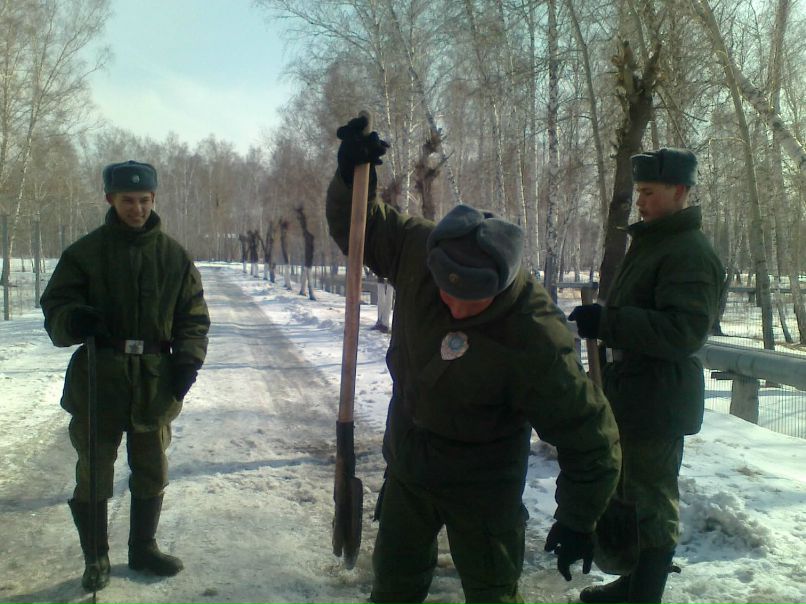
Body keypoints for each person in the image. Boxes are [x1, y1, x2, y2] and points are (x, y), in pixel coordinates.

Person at [328, 115, 621, 604]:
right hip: (410, 466)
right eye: (448, 292)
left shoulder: (536, 335)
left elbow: (588, 432)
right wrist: (350, 176)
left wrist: (578, 518)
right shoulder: (419, 248)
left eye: (476, 300)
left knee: (492, 592)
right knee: (394, 585)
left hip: (484, 484)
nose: (457, 308)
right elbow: (359, 226)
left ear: (504, 285)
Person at [40, 160, 210, 592]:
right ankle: (95, 557)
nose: (135, 208)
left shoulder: (174, 256)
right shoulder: (84, 253)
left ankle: (143, 548)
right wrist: (74, 320)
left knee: (151, 468)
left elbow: (193, 317)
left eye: (143, 200)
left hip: (156, 380)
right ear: (110, 199)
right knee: (94, 470)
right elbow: (55, 308)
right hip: (100, 377)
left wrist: (188, 360)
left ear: (153, 200)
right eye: (127, 200)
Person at [568, 148, 725, 604]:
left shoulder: (688, 253)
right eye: (638, 192)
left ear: (679, 192)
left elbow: (686, 330)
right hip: (636, 390)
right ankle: (632, 584)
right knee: (633, 494)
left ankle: (645, 596)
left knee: (654, 501)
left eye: (649, 192)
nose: (640, 201)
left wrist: (610, 323)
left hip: (659, 397)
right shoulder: (656, 242)